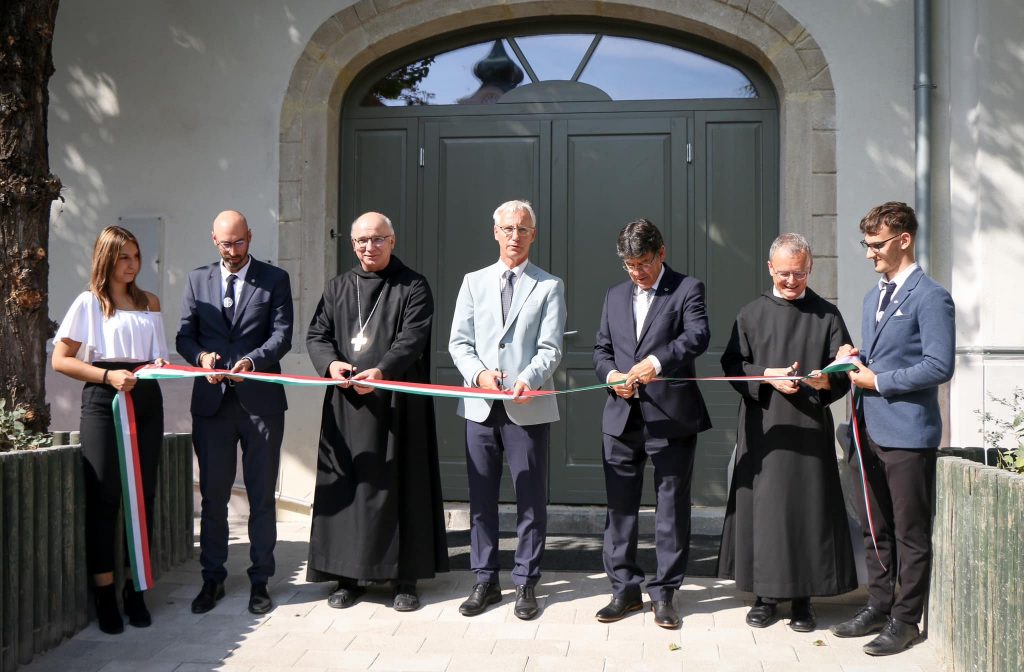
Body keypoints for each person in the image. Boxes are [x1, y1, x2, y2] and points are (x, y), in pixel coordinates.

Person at [305, 211, 448, 611]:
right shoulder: (338, 288)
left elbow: (412, 338)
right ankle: (348, 576)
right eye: (362, 240)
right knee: (352, 491)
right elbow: (317, 334)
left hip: (397, 405)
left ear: (393, 240)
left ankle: (404, 579)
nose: (370, 247)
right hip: (347, 405)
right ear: (352, 244)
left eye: (378, 239)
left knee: (400, 489)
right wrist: (331, 364)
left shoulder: (413, 285)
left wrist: (382, 371)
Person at [831, 202, 955, 656]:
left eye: (876, 245)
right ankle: (878, 605)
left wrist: (878, 380)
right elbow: (889, 353)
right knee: (874, 526)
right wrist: (857, 357)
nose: (870, 254)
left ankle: (905, 620)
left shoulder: (931, 296)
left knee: (909, 532)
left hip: (907, 434)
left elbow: (939, 365)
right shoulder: (872, 297)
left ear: (904, 239)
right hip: (867, 429)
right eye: (866, 245)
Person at [717, 233, 858, 633]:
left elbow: (844, 371)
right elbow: (731, 366)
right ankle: (763, 597)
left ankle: (803, 600)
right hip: (765, 427)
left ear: (810, 269)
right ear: (769, 269)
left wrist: (823, 382)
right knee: (766, 513)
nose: (791, 281)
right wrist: (766, 377)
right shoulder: (750, 314)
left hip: (808, 429)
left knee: (806, 512)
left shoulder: (827, 315)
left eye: (799, 273)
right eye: (783, 274)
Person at [448, 199, 566, 620]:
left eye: (523, 229)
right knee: (481, 498)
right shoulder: (473, 282)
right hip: (481, 406)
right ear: (495, 232)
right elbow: (458, 342)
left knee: (530, 498)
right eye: (508, 228)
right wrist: (478, 374)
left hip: (526, 405)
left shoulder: (549, 285)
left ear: (533, 235)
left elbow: (552, 347)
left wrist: (528, 379)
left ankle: (526, 582)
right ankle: (484, 580)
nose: (515, 236)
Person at [592, 218, 711, 630]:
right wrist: (610, 377)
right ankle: (623, 590)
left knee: (670, 509)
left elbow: (698, 336)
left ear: (661, 253)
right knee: (619, 509)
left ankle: (664, 594)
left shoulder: (687, 289)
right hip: (621, 418)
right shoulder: (614, 295)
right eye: (629, 265)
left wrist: (656, 363)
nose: (637, 272)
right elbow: (601, 351)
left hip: (670, 417)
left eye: (643, 262)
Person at [52, 225, 169, 634]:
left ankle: (135, 591)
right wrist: (108, 379)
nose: (132, 265)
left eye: (136, 256)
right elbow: (61, 360)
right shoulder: (89, 303)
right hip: (104, 398)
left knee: (142, 497)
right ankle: (104, 594)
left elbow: (159, 358)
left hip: (146, 398)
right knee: (105, 495)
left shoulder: (150, 302)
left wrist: (161, 371)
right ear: (106, 258)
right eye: (124, 257)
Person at [176, 210, 293, 616]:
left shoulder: (274, 279)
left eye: (239, 242)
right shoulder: (197, 279)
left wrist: (253, 362)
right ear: (214, 240)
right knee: (213, 498)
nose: (233, 251)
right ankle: (213, 579)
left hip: (260, 404)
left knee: (261, 496)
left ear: (250, 237)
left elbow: (282, 334)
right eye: (226, 244)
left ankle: (261, 580)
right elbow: (184, 335)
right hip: (212, 407)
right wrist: (202, 357)